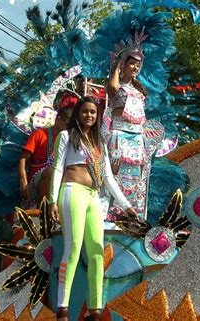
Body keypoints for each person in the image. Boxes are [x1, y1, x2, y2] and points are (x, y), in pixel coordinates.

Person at [49, 97, 138, 321]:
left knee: (97, 252)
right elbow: (58, 168)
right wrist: (52, 200)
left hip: (93, 197)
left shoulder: (100, 144)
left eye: (93, 112)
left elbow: (108, 177)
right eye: (85, 111)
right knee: (73, 248)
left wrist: (127, 207)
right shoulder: (67, 136)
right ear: (78, 113)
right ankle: (63, 308)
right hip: (72, 191)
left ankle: (95, 309)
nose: (89, 115)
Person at [103, 31, 150, 219]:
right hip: (118, 135)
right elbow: (112, 89)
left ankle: (132, 215)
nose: (135, 68)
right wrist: (116, 67)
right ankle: (111, 214)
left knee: (135, 178)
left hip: (138, 139)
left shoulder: (139, 90)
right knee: (114, 175)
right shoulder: (118, 86)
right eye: (131, 63)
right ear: (124, 64)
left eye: (138, 65)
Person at [18, 97, 76, 207]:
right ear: (58, 119)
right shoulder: (39, 134)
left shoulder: (69, 139)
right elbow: (23, 159)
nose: (70, 129)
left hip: (60, 179)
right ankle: (45, 212)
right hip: (36, 182)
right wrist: (23, 181)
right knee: (51, 172)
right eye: (68, 125)